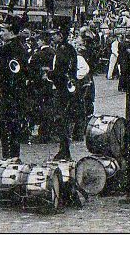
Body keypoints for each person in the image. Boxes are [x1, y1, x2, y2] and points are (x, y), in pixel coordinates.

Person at [0, 24, 29, 159]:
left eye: (3, 30)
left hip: (7, 92)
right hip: (18, 92)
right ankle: (14, 156)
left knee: (3, 124)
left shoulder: (7, 48)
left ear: (11, 32)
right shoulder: (22, 48)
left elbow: (2, 72)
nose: (0, 33)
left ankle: (7, 157)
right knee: (14, 125)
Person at [49, 27, 78, 160]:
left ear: (61, 36)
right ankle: (64, 149)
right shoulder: (70, 48)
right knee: (64, 119)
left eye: (54, 35)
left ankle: (64, 150)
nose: (52, 37)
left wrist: (49, 74)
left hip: (61, 89)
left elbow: (60, 72)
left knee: (61, 119)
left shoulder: (62, 50)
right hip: (68, 87)